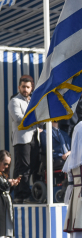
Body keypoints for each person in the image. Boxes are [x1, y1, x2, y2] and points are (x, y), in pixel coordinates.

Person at [8, 76, 36, 204]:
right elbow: (19, 119)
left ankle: (19, 194)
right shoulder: (14, 101)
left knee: (25, 167)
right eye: (23, 87)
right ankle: (24, 195)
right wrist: (36, 119)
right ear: (19, 87)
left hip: (33, 137)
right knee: (23, 167)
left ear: (32, 88)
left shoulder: (32, 100)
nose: (25, 89)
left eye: (28, 87)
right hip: (22, 139)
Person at [0, 150, 20, 238]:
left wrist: (11, 184)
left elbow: (5, 187)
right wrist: (10, 183)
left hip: (6, 209)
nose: (7, 166)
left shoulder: (3, 175)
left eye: (8, 164)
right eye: (5, 164)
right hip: (2, 209)